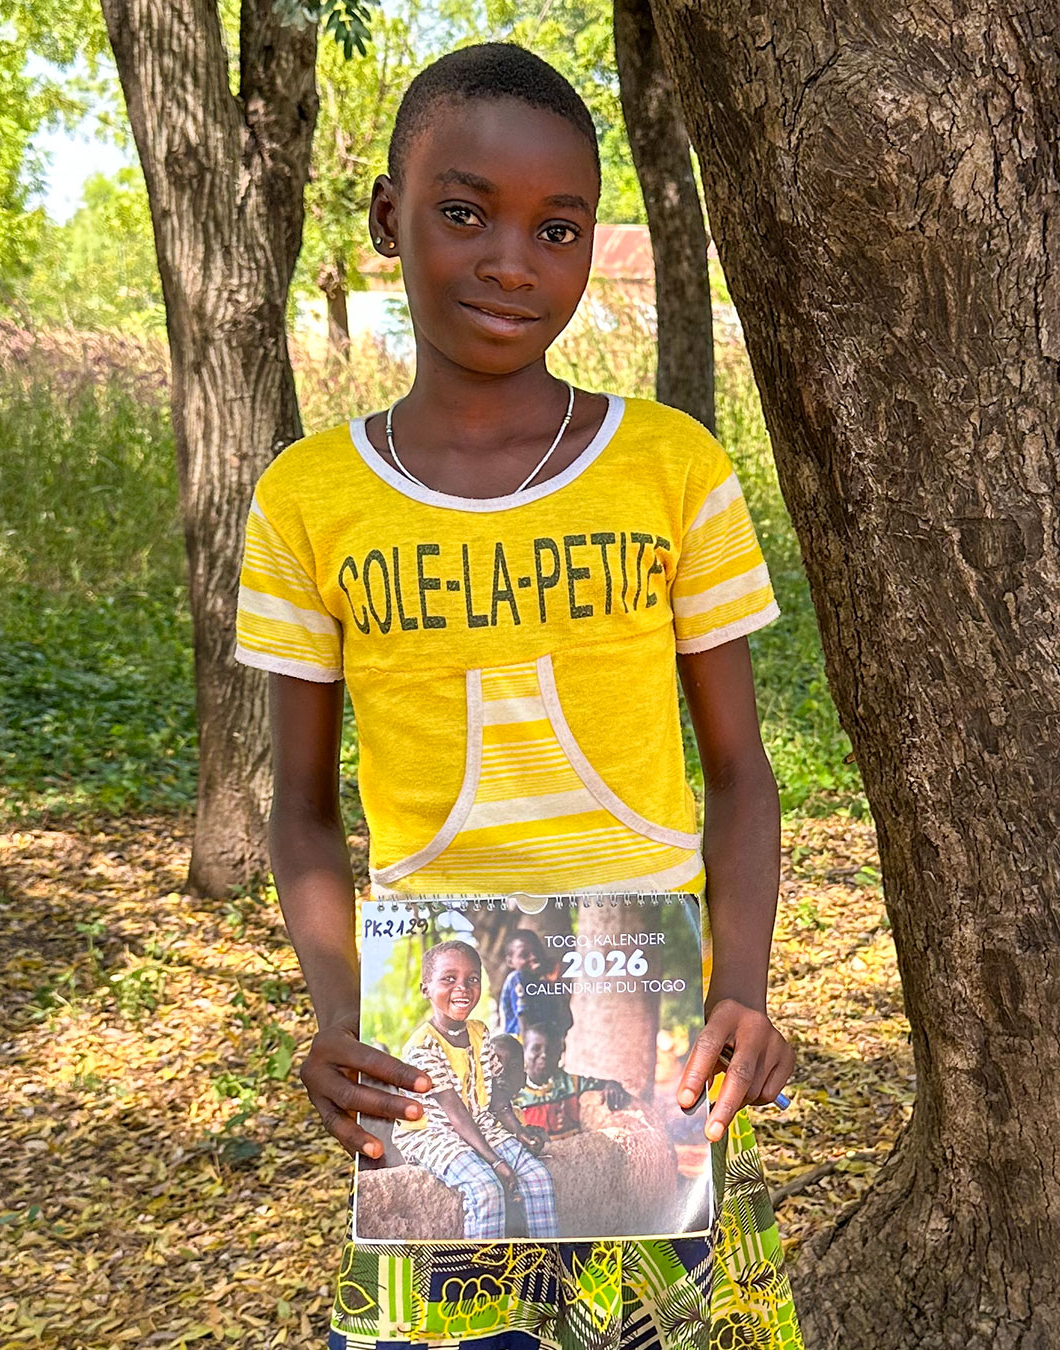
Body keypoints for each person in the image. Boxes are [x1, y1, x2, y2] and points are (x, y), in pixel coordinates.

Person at [235, 40, 801, 1350]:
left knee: (661, 1325)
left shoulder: (670, 469)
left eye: (556, 228)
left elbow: (740, 772)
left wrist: (747, 988)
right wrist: (341, 1029)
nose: (510, 262)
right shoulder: (310, 502)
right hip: (437, 1056)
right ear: (388, 218)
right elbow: (307, 813)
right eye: (463, 211)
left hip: (654, 1049)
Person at [391, 940, 557, 1240]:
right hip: (432, 1133)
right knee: (485, 1188)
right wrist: (495, 1161)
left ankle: (546, 1262)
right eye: (449, 979)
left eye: (472, 979)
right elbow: (454, 1111)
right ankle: (482, 1276)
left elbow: (494, 1092)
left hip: (478, 1123)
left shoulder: (479, 1032)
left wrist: (518, 1131)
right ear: (425, 988)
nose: (462, 988)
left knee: (538, 1178)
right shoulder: (422, 1046)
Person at [513, 1020, 629, 1138]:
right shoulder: (514, 1092)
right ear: (523, 1053)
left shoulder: (569, 1083)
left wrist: (611, 1085)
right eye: (536, 1048)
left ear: (560, 1053)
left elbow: (601, 1084)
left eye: (551, 1049)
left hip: (571, 1150)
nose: (544, 1055)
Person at [497, 929, 571, 1036]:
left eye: (537, 951)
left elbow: (567, 1022)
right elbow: (525, 1024)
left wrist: (555, 984)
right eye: (524, 955)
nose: (534, 957)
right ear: (510, 962)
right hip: (521, 1046)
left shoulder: (544, 984)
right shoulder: (517, 978)